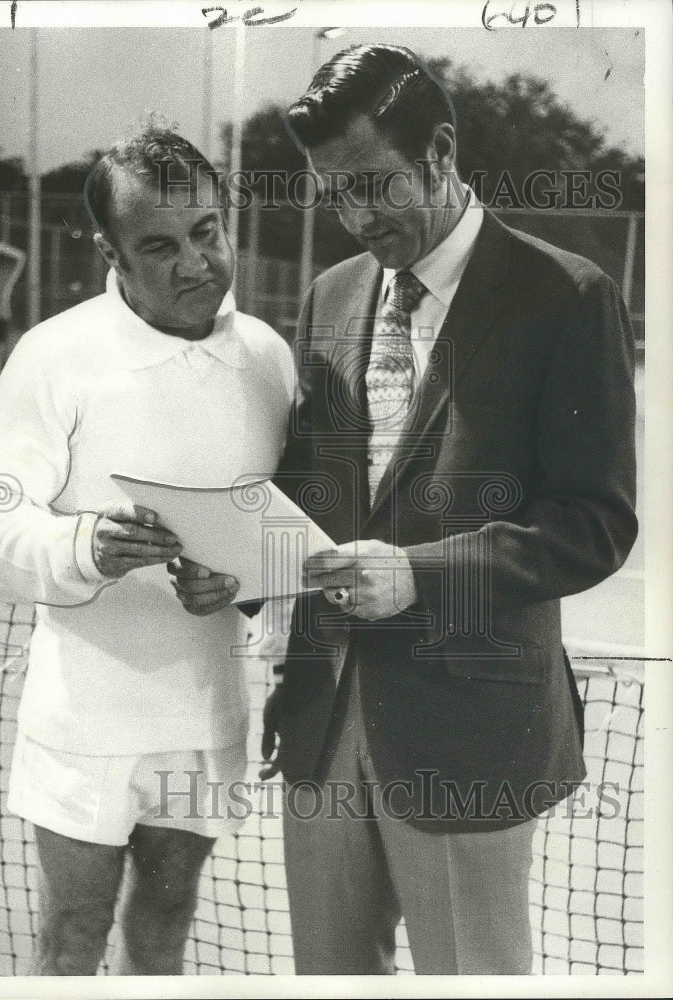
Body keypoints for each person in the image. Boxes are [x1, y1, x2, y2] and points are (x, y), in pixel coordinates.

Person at [171, 45, 637, 975]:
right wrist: (241, 572)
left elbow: (596, 522)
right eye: (335, 193)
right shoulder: (331, 294)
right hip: (322, 718)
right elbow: (314, 494)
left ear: (442, 150)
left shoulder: (567, 295)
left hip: (472, 731)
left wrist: (416, 576)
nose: (357, 215)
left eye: (375, 185)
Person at [0, 126, 294, 975]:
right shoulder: (52, 356)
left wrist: (244, 581)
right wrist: (88, 544)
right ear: (109, 251)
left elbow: (290, 544)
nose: (195, 263)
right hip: (82, 722)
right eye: (158, 244)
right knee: (72, 931)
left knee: (168, 920)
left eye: (206, 232)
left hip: (206, 716)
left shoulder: (269, 359)